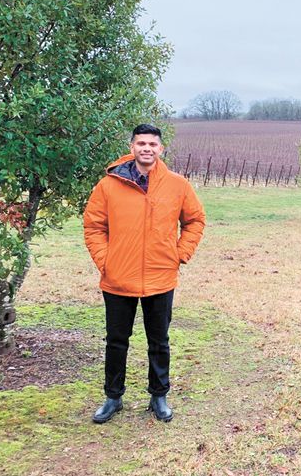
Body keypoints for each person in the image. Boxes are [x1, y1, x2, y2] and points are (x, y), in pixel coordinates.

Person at [83, 124, 205, 423]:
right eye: (141, 143)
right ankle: (113, 397)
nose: (146, 148)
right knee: (116, 340)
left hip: (161, 277)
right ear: (132, 146)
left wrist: (180, 253)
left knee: (159, 341)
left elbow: (195, 220)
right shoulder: (108, 185)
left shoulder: (178, 185)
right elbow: (94, 226)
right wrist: (106, 261)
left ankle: (158, 395)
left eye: (152, 143)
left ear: (161, 148)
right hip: (117, 278)